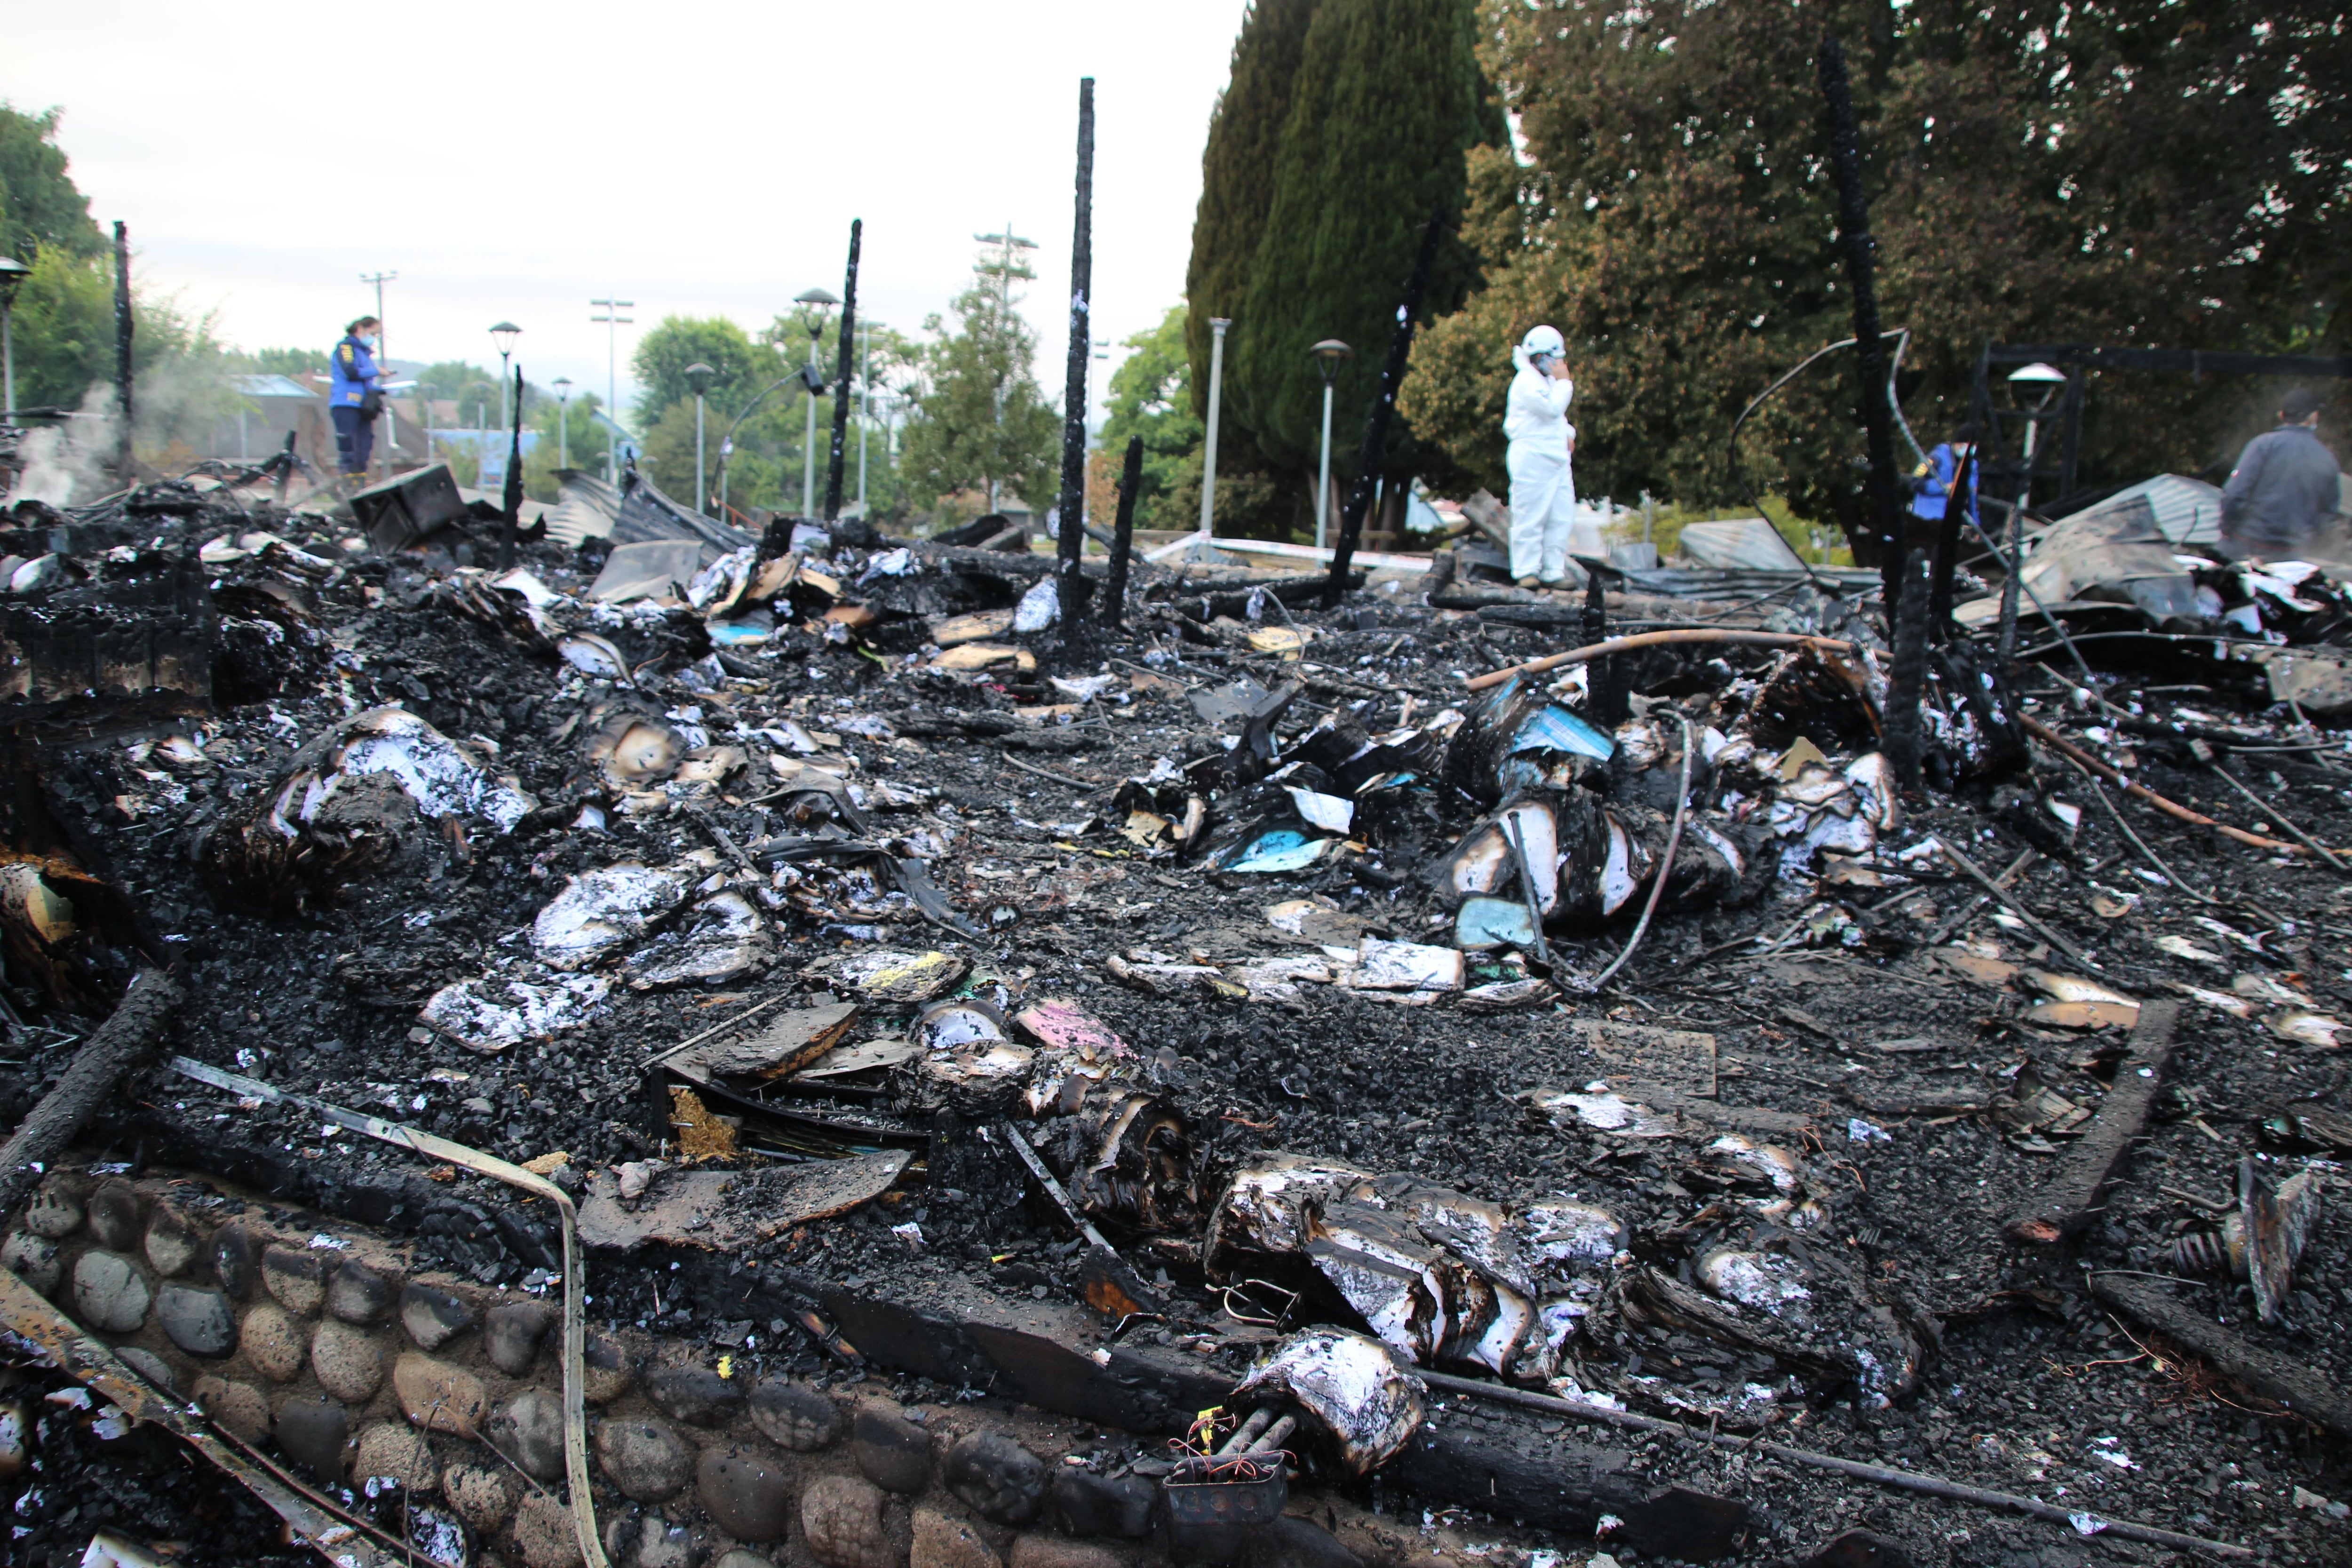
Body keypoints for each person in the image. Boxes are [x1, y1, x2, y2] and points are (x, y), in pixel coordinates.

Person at [1503, 324, 1588, 588]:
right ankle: (1526, 571)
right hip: (1533, 457)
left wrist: (1569, 434)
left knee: (1560, 517)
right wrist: (1565, 382)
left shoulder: (1545, 381)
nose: (1558, 364)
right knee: (1531, 515)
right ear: (1541, 356)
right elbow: (1551, 409)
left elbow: (1557, 421)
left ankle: (1553, 570)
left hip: (1556, 458)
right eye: (1555, 358)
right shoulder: (1526, 382)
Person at [2219, 388, 2341, 560]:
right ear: (2314, 416)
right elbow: (2327, 515)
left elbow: (2235, 495)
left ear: (2282, 415)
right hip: (2290, 555)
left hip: (2243, 546)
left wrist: (2227, 528)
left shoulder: (2263, 445)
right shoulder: (2327, 459)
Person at [329, 316, 385, 486]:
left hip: (363, 406)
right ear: (360, 328)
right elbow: (351, 372)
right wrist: (375, 372)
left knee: (364, 448)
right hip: (346, 404)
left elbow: (366, 381)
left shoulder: (366, 354)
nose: (374, 339)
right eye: (373, 333)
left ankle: (359, 485)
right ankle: (347, 488)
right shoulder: (346, 348)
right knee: (349, 447)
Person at [1908, 423, 1979, 534]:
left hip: (1952, 523)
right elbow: (1916, 482)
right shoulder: (1937, 457)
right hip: (1926, 519)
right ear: (1959, 444)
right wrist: (1944, 488)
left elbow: (1972, 495)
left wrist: (1975, 525)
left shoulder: (1972, 465)